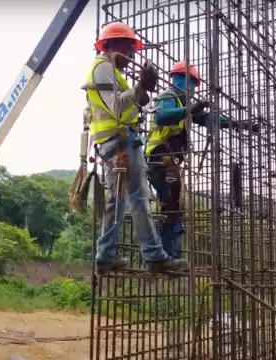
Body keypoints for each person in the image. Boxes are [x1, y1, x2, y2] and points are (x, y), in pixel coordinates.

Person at [84, 22, 189, 275]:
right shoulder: (103, 69)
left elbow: (132, 104)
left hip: (116, 142)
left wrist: (142, 92)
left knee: (117, 202)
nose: (131, 57)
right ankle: (155, 256)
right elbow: (117, 107)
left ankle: (105, 256)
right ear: (112, 45)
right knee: (139, 198)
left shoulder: (112, 72)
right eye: (129, 49)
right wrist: (140, 88)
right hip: (120, 142)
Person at [145, 61, 258, 259]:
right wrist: (191, 109)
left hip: (169, 160)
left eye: (194, 86)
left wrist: (239, 124)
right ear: (180, 80)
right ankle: (166, 253)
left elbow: (209, 119)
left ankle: (172, 252)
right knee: (170, 202)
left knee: (173, 203)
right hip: (158, 157)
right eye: (191, 83)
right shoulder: (168, 97)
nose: (192, 89)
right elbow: (162, 117)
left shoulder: (183, 104)